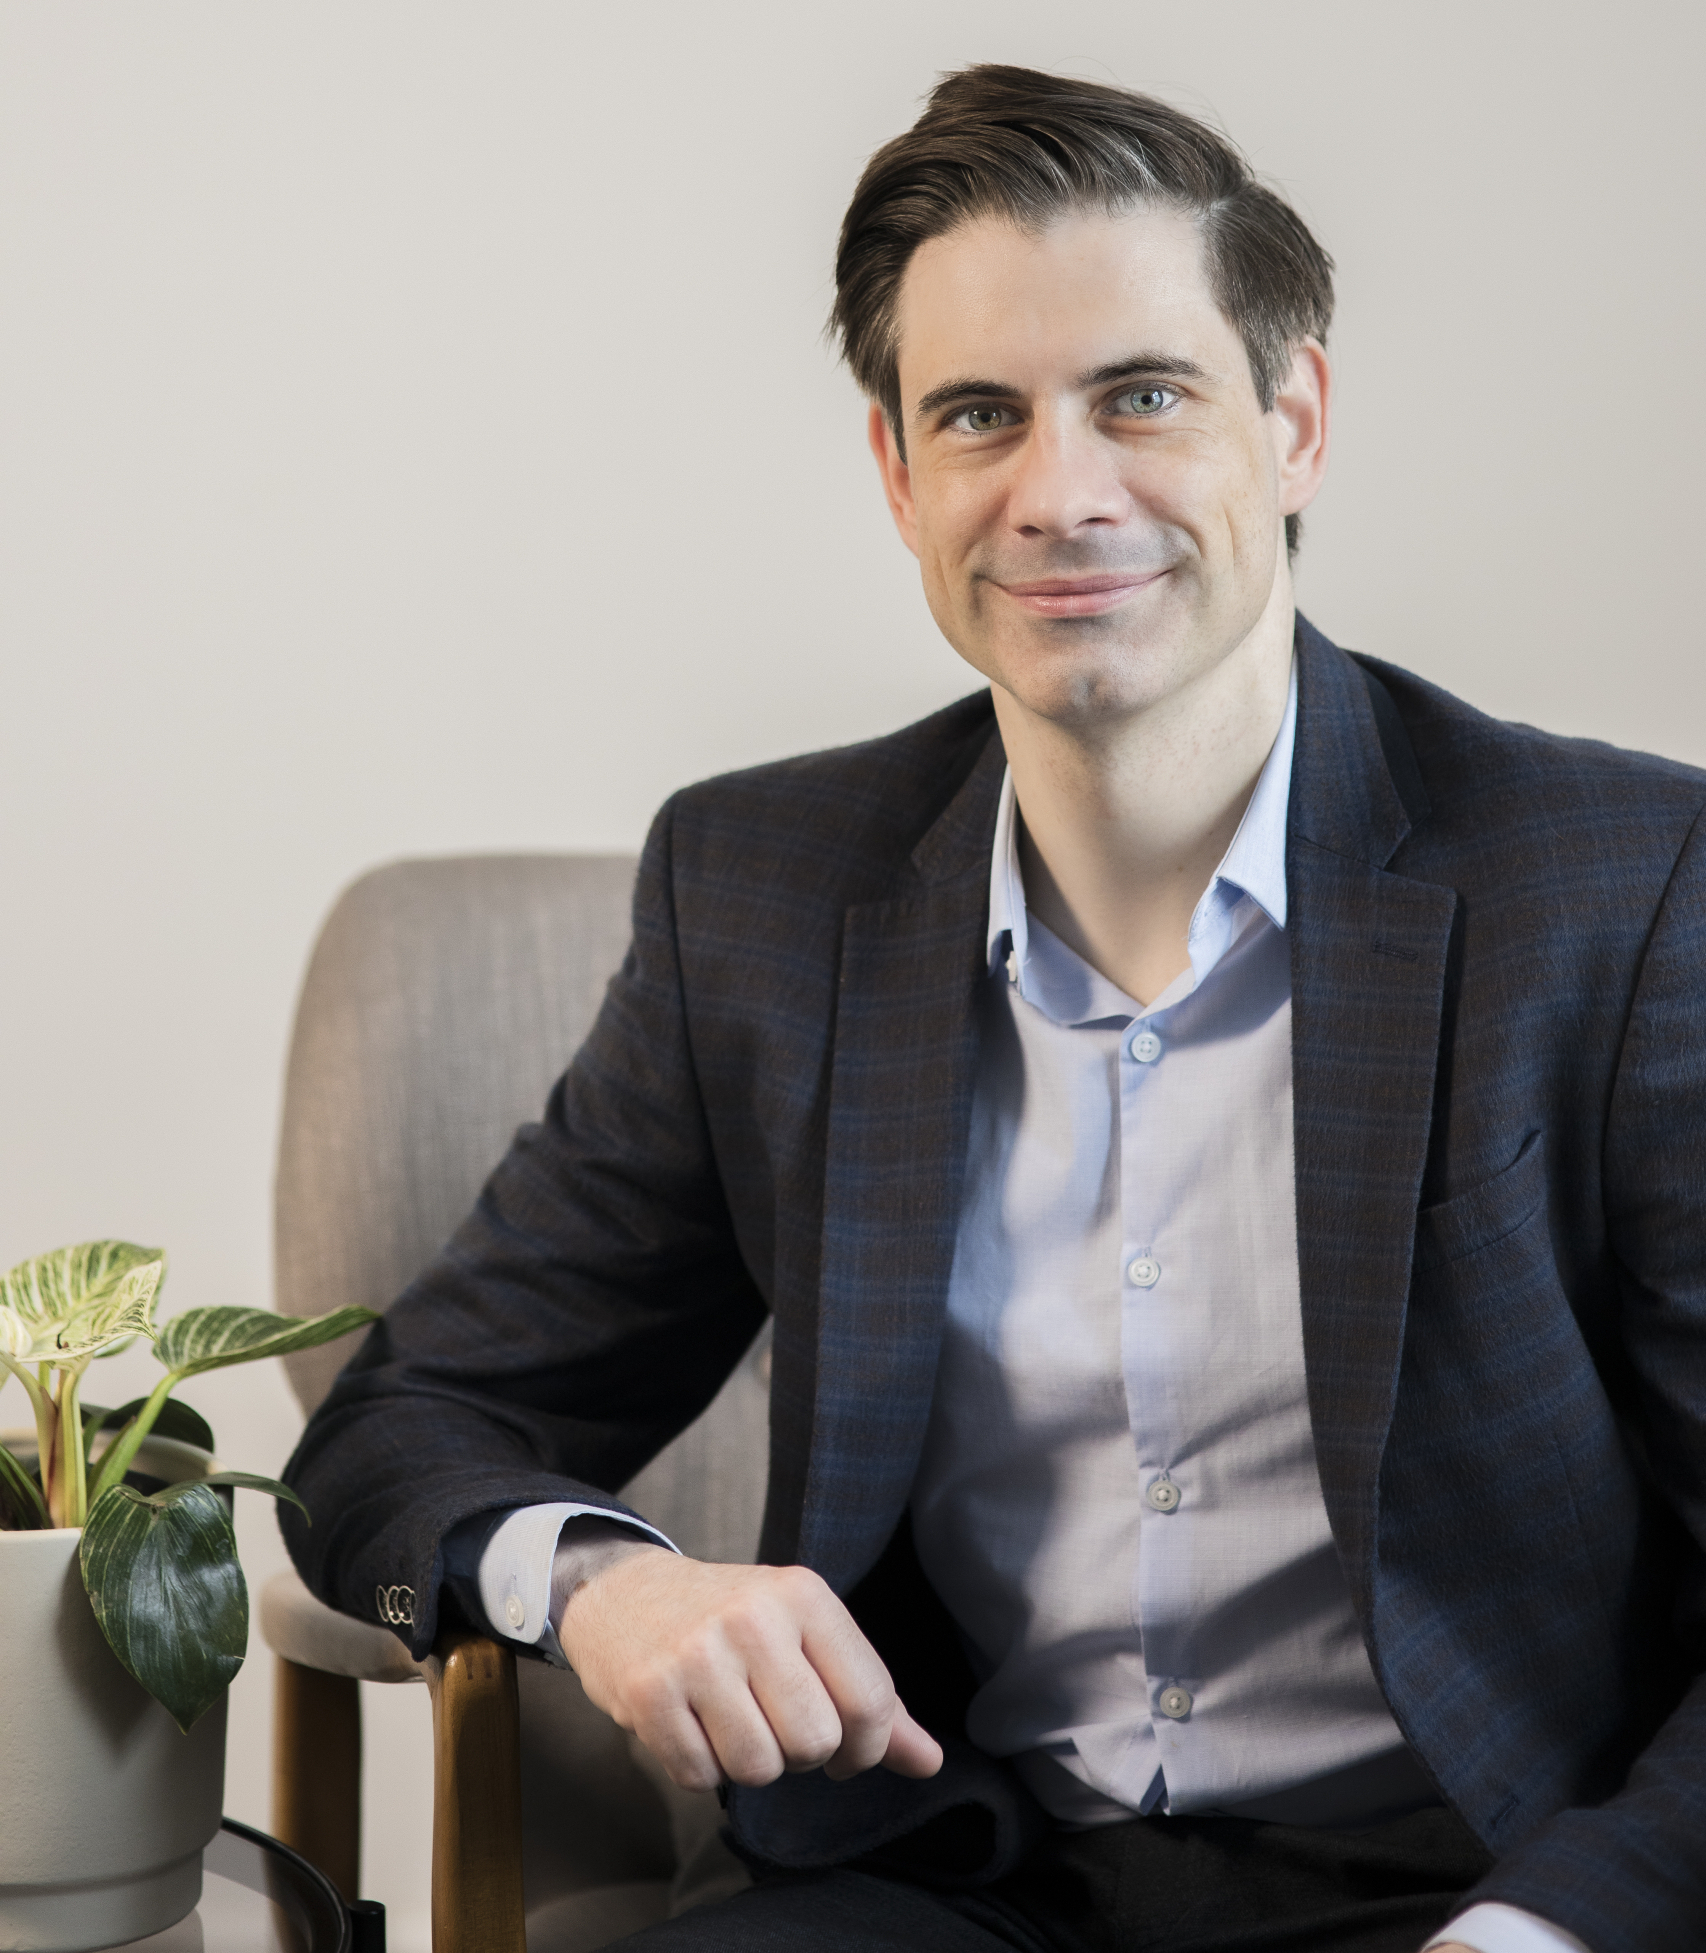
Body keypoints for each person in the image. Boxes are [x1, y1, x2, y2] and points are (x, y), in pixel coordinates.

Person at [282, 65, 1706, 1953]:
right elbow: (405, 1424)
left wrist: (1553, 1933)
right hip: (951, 1872)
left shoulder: (1617, 883)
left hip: (1474, 1873)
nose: (1060, 491)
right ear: (896, 474)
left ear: (1291, 423)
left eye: (1140, 394)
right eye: (978, 415)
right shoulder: (761, 894)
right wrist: (600, 1584)